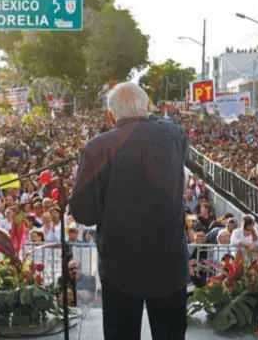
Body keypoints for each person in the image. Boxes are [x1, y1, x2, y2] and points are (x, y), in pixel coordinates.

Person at [70, 82, 189, 340]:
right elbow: (160, 123)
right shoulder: (175, 136)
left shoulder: (98, 147)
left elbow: (83, 213)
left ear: (110, 116)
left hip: (120, 267)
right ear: (146, 109)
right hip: (169, 263)